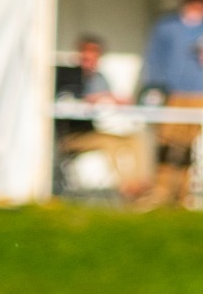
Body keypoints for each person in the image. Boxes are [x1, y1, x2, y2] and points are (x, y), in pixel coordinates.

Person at [140, 0, 203, 208]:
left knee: (188, 144)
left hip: (197, 93)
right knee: (166, 141)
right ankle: (161, 191)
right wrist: (155, 89)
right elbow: (153, 59)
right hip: (171, 92)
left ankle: (183, 195)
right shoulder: (166, 25)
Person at [55, 35, 147, 199]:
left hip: (92, 133)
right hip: (70, 137)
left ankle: (139, 184)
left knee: (134, 139)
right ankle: (126, 188)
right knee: (108, 142)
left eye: (94, 56)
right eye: (86, 55)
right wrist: (95, 98)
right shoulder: (65, 74)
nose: (89, 60)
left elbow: (106, 100)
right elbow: (66, 100)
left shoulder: (99, 77)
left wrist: (119, 101)